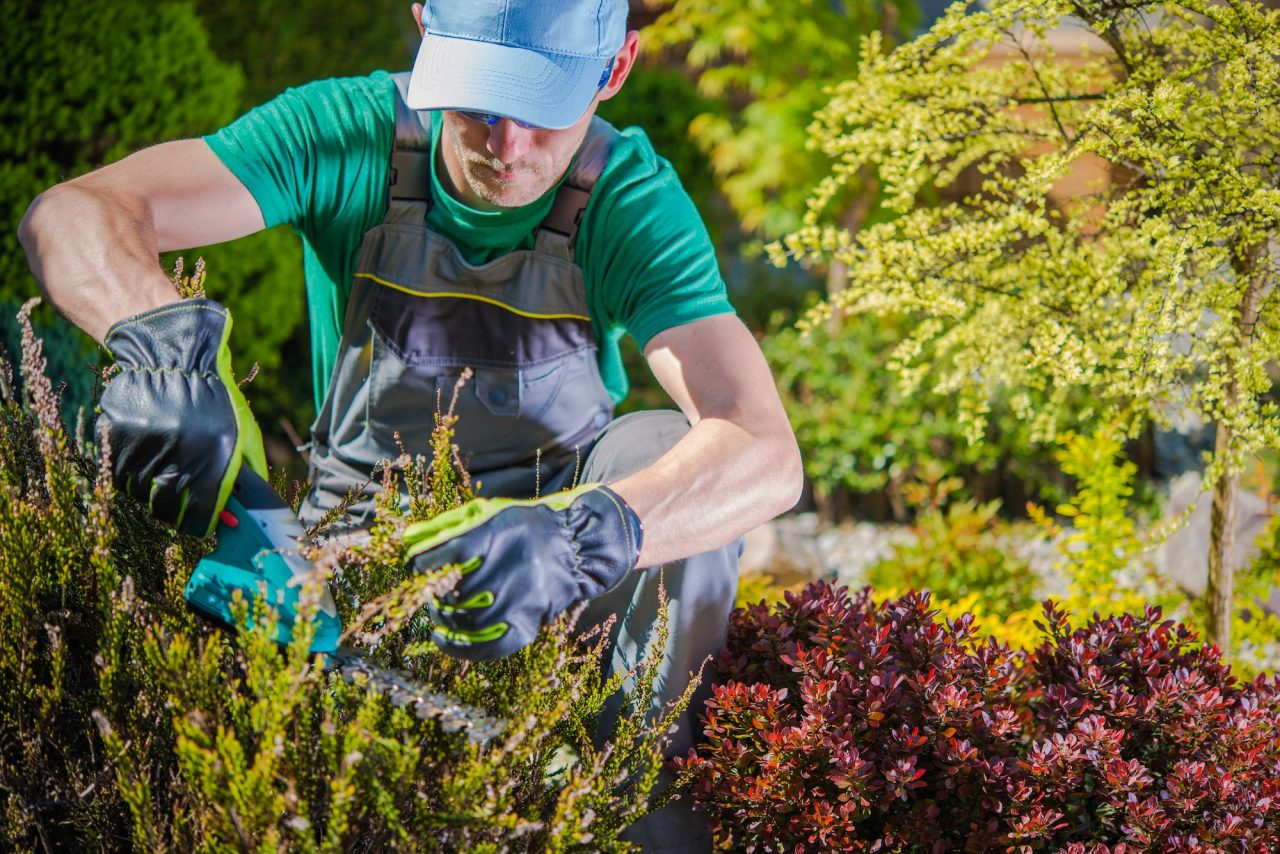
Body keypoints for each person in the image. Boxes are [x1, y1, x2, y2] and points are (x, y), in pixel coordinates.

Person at [18, 0, 802, 849]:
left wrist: (581, 538)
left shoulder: (627, 203)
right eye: (478, 102)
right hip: (351, 548)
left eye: (541, 111)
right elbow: (73, 213)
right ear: (427, 32)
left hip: (549, 569)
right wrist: (160, 346)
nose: (504, 147)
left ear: (614, 72)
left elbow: (763, 449)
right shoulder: (350, 133)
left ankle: (649, 819)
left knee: (659, 446)